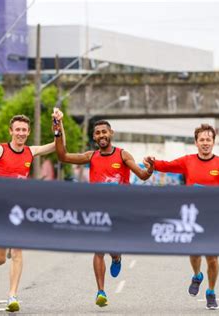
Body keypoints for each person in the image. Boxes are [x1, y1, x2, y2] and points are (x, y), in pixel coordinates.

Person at [143, 124, 219, 310]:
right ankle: (197, 276)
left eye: (208, 139)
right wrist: (152, 163)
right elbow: (167, 166)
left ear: (213, 142)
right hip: (192, 217)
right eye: (201, 140)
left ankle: (211, 292)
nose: (205, 143)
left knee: (212, 257)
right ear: (196, 142)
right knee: (194, 253)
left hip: (213, 217)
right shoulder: (187, 161)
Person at [0, 112, 63, 312]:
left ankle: (12, 296)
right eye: (17, 129)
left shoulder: (30, 151)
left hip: (18, 210)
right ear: (11, 131)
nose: (21, 133)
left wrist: (58, 123)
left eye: (24, 130)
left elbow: (57, 145)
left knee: (18, 251)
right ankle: (3, 247)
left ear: (28, 132)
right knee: (0, 260)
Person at [52, 115, 153, 308]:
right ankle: (101, 291)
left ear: (111, 133)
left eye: (104, 132)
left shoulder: (123, 155)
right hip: (97, 212)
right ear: (94, 136)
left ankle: (116, 256)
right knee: (98, 249)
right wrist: (58, 130)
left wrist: (150, 170)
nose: (101, 135)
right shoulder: (91, 156)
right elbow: (62, 156)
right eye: (97, 133)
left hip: (120, 212)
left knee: (113, 249)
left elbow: (142, 175)